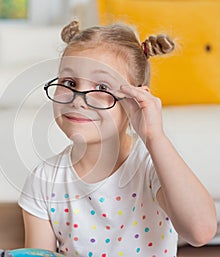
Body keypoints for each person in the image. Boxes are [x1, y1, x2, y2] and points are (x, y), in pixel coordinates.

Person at [18, 20, 217, 257]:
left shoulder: (153, 167)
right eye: (69, 83)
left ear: (136, 99)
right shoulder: (43, 181)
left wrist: (155, 137)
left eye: (102, 87)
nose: (78, 99)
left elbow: (201, 232)